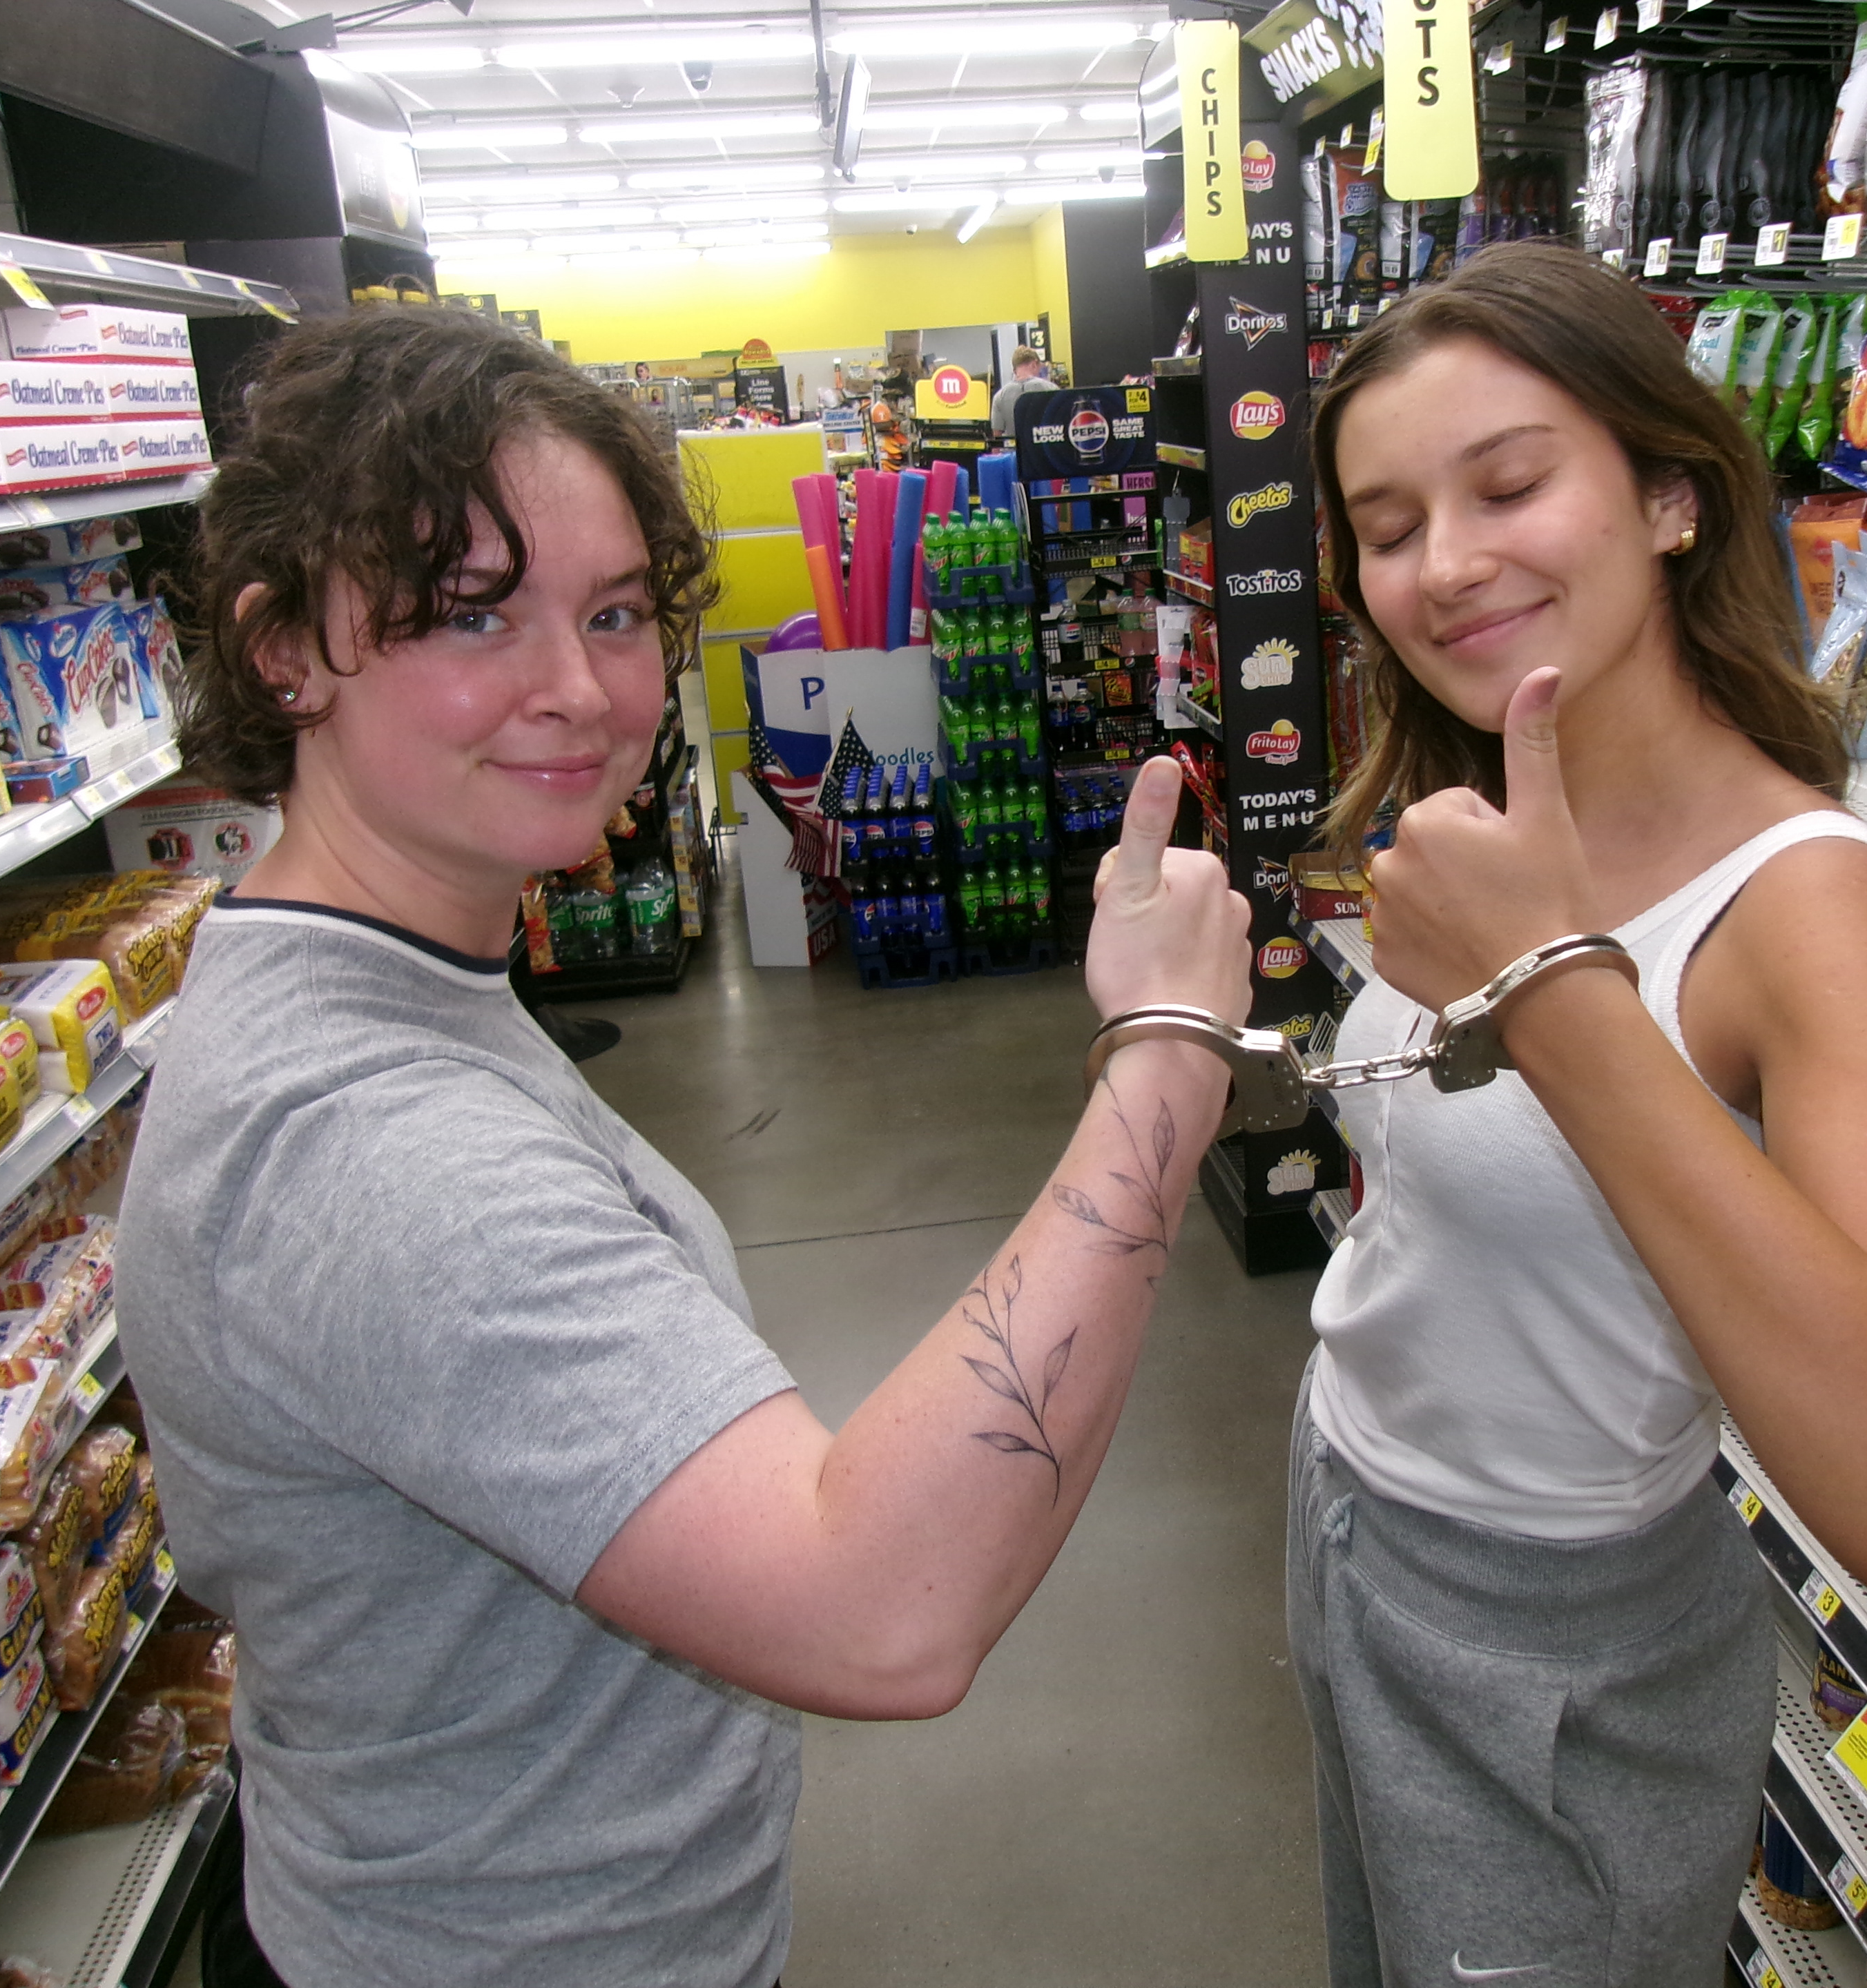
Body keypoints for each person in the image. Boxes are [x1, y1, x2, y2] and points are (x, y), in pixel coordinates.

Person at [117, 309, 1252, 1988]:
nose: (580, 691)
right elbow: (881, 1607)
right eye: (472, 610)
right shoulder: (366, 1146)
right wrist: (1166, 1055)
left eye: (616, 612)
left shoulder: (376, 962)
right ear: (284, 648)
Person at [1289, 241, 1867, 1988]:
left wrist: (1555, 994)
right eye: (1389, 528)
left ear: (1670, 497)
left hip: (1554, 1648)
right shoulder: (1484, 805)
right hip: (1346, 1516)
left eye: (1508, 487)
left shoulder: (1802, 898)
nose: (1443, 566)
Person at [989, 342, 1052, 445]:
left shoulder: (999, 397)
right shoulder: (1051, 389)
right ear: (1034, 364)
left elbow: (997, 438)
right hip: (1043, 450)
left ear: (1015, 370)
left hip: (1014, 452)